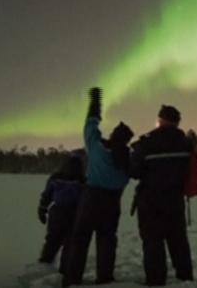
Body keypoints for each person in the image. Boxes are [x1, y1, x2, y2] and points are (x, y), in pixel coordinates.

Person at [63, 87, 134, 287]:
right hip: (113, 203)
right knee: (107, 240)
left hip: (91, 199)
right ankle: (105, 279)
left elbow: (90, 126)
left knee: (80, 239)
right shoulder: (126, 160)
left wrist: (95, 103)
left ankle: (72, 279)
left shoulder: (97, 149)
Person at [130, 105, 195, 286]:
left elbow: (134, 171)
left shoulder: (147, 143)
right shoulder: (186, 143)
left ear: (161, 120)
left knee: (153, 241)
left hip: (151, 201)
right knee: (178, 240)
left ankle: (156, 280)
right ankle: (185, 277)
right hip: (175, 200)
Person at [36, 153, 85, 273]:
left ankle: (45, 264)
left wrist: (42, 209)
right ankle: (65, 269)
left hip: (58, 212)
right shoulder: (83, 180)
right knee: (70, 243)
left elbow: (47, 195)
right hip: (74, 213)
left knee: (52, 240)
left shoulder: (55, 177)